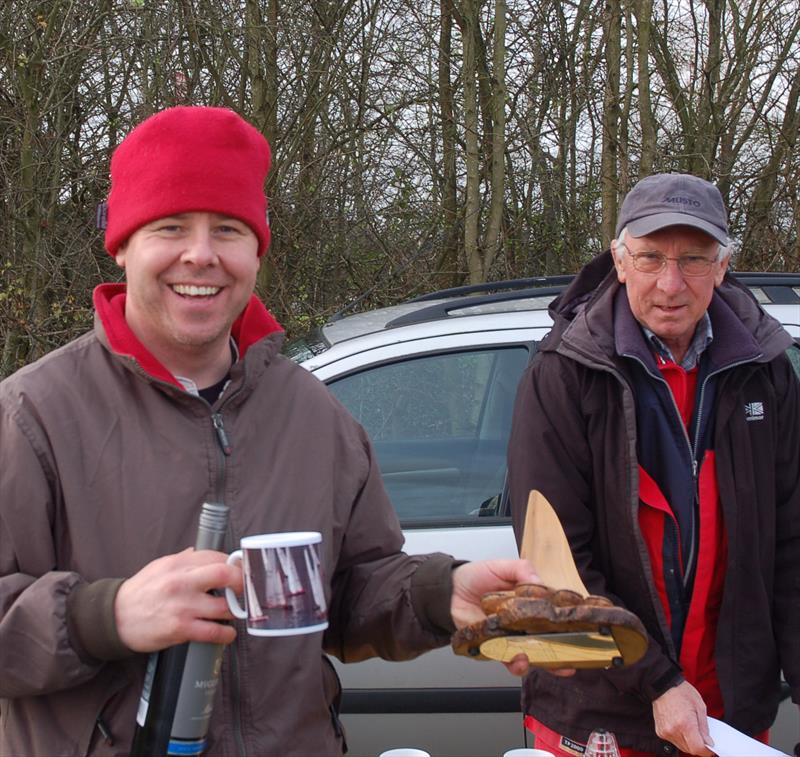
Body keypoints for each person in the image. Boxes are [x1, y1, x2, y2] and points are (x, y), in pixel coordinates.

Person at [0, 106, 537, 756]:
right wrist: (104, 615)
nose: (201, 254)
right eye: (170, 226)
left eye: (227, 229)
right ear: (121, 244)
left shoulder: (312, 414)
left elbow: (348, 591)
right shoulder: (32, 415)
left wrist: (438, 591)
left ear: (257, 249)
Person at [507, 173, 800, 757]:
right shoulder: (564, 375)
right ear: (619, 260)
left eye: (693, 259)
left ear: (721, 267)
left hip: (728, 716)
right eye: (650, 258)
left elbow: (792, 547)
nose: (671, 283)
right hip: (601, 713)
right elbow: (559, 565)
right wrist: (658, 682)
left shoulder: (766, 373)